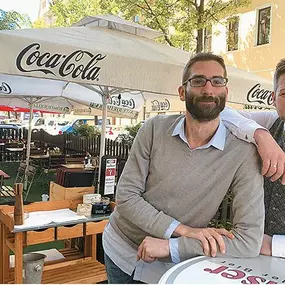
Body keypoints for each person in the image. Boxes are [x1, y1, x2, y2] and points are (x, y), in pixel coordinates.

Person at [102, 52, 265, 284]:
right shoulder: (153, 129)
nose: (208, 90)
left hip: (172, 265)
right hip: (121, 249)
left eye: (217, 82)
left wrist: (173, 246)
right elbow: (126, 197)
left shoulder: (243, 153)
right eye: (198, 81)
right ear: (182, 92)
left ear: (226, 93)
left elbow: (248, 241)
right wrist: (184, 230)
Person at [220, 58, 285, 259]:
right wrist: (261, 135)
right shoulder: (272, 122)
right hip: (255, 261)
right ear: (273, 99)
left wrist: (274, 245)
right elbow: (221, 112)